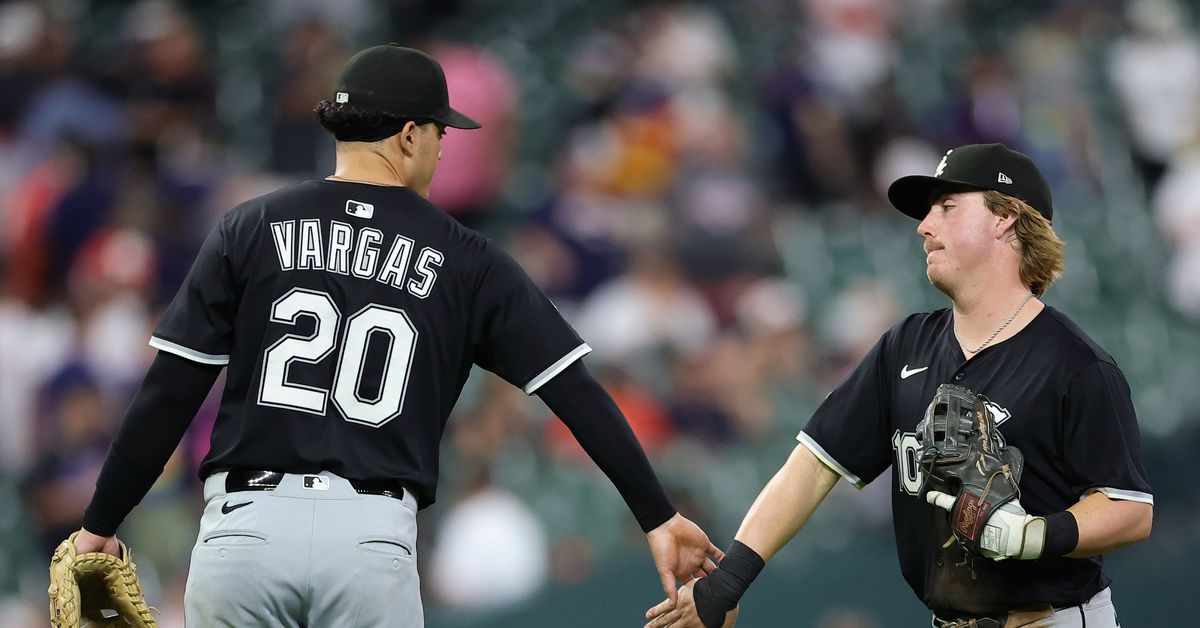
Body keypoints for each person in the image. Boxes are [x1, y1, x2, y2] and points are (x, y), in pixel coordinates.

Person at [63, 44, 722, 626]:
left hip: (244, 535)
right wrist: (657, 515)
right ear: (409, 135)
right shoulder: (467, 258)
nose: (443, 148)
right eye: (441, 133)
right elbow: (573, 391)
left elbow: (170, 392)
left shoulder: (250, 226)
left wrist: (99, 526)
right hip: (370, 542)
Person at [645, 143, 1154, 628]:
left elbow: (1128, 509)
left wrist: (1035, 533)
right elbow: (814, 465)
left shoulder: (1075, 364)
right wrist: (728, 582)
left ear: (1005, 219)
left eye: (948, 207)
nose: (925, 227)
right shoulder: (906, 345)